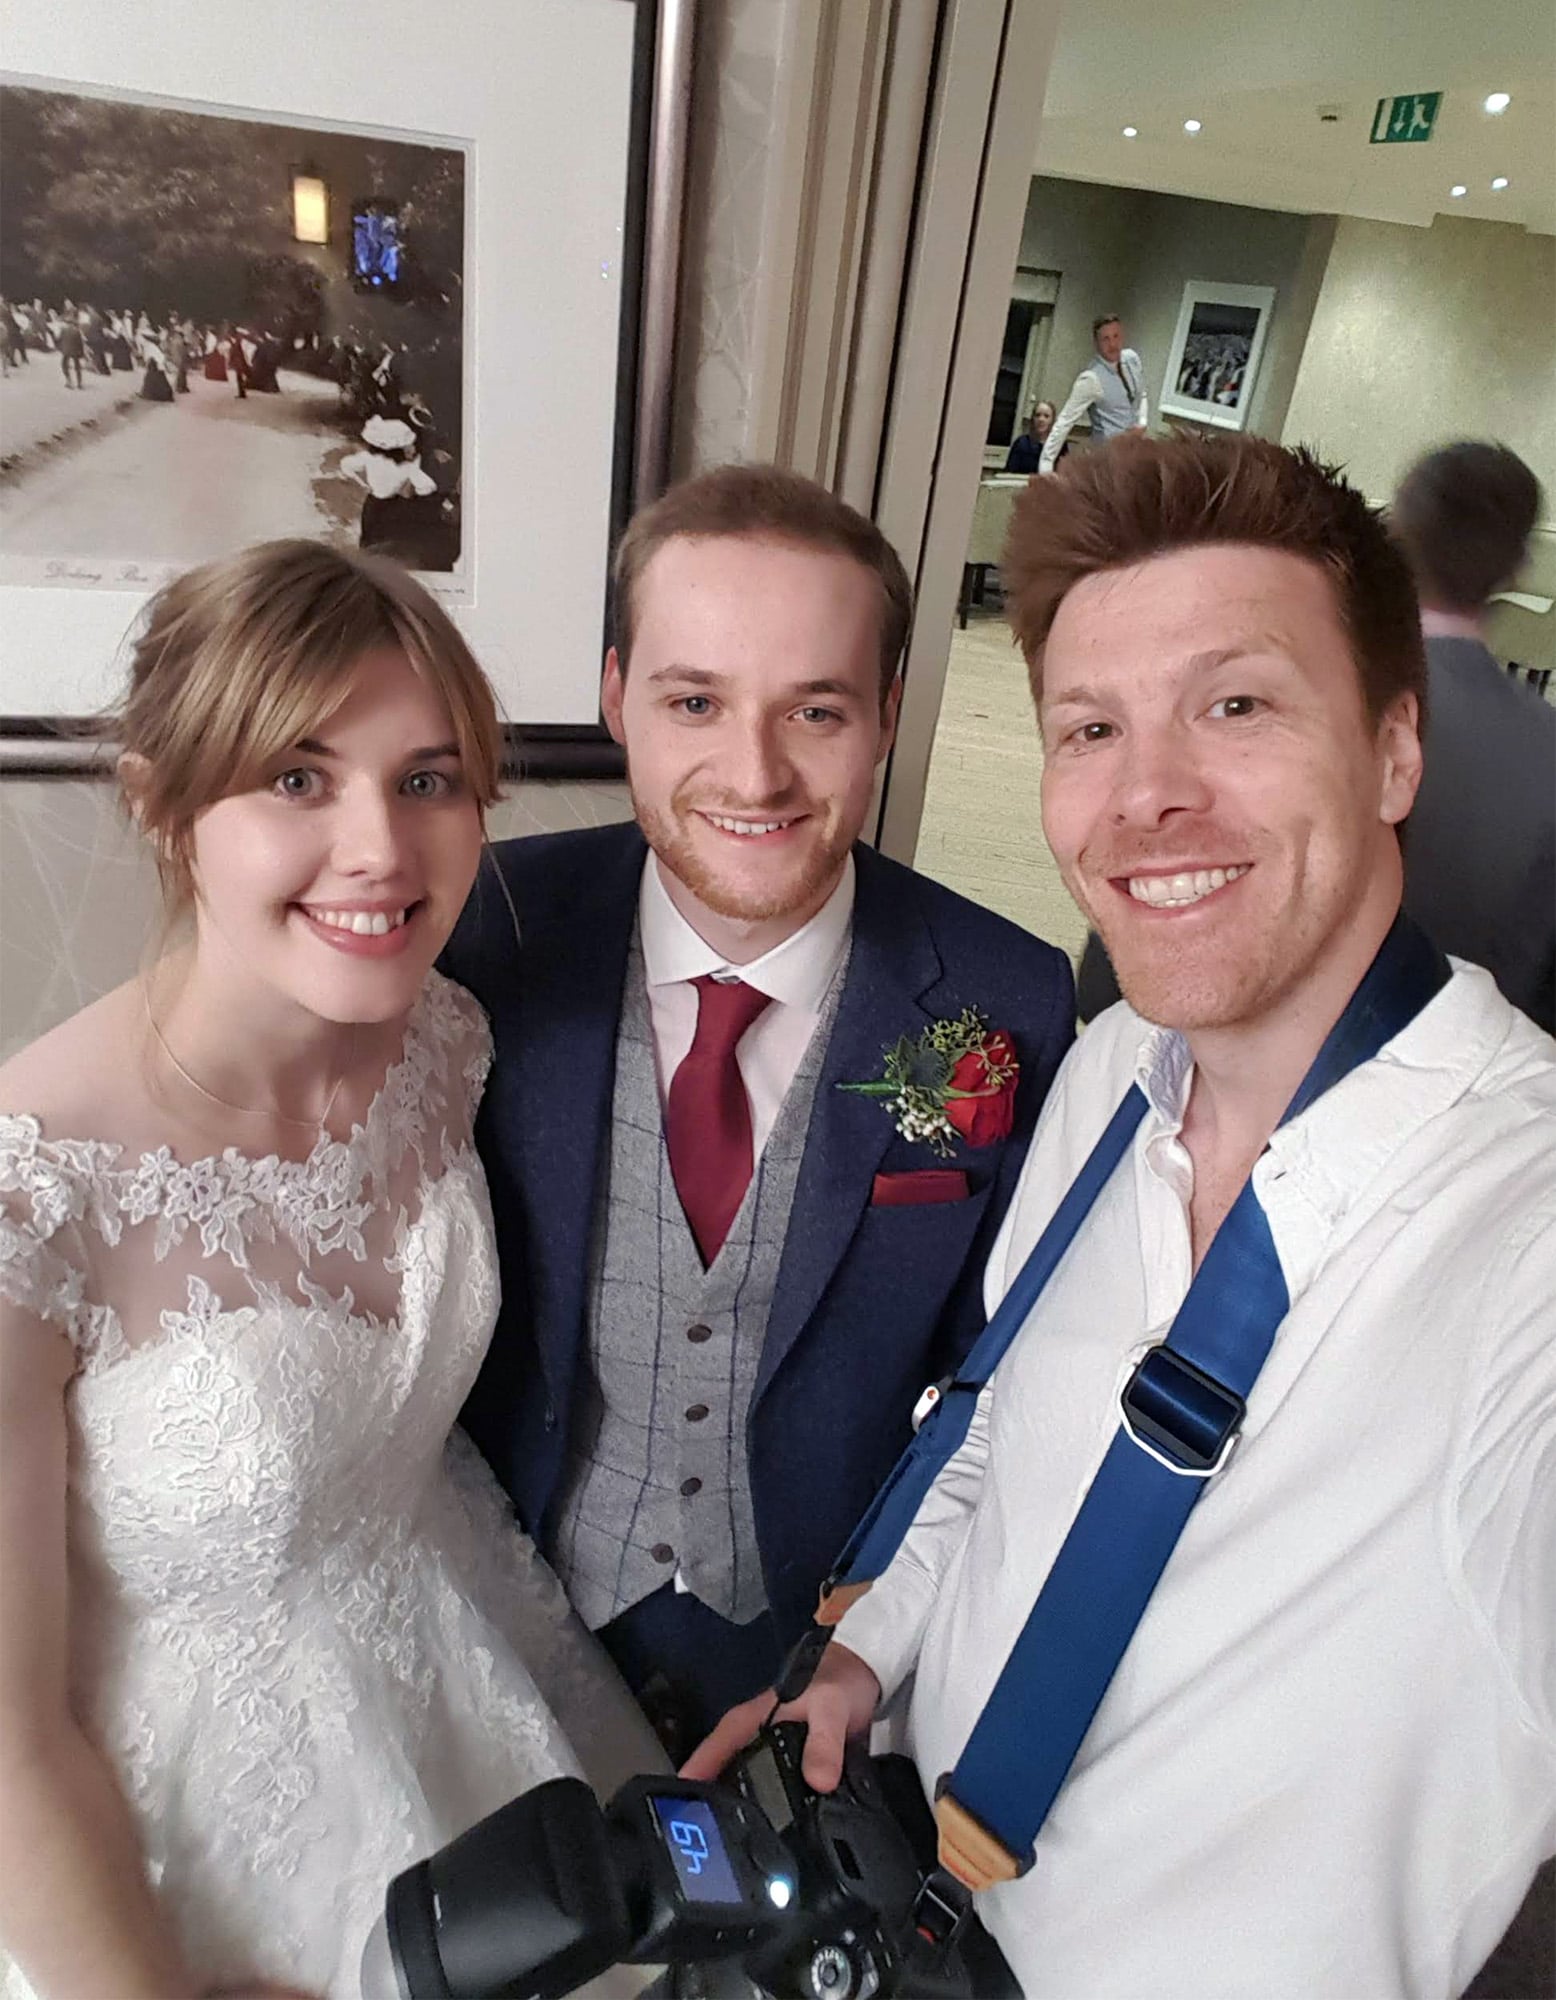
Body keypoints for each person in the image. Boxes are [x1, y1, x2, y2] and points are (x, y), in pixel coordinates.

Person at [688, 435, 1556, 2000]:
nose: (1148, 793)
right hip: (918, 1906)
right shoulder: (1106, 1073)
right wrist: (867, 1653)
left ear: (1394, 752)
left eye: (1237, 706)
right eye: (1092, 728)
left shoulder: (1524, 1229)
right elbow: (996, 1432)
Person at [0, 541, 662, 2000]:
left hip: (479, 1708)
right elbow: (6, 1746)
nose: (380, 849)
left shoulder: (443, 1042)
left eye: (427, 779)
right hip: (183, 1863)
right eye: (297, 777)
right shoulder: (26, 1198)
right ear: (162, 804)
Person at [441, 464, 1076, 1759]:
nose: (756, 772)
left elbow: (999, 1382)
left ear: (886, 714)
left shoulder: (1006, 995)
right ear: (616, 694)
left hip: (806, 1656)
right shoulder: (482, 931)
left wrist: (875, 1639)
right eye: (694, 701)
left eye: (816, 710)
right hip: (500, 1624)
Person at [1390, 441, 1554, 1033]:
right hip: (1472, 1067)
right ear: (1516, 568)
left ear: (1395, 533)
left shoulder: (1303, 697)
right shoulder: (1548, 752)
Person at [1039, 313, 1147, 475]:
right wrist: (1046, 466)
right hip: (1107, 461)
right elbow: (1064, 422)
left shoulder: (1132, 359)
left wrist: (1142, 422)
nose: (1112, 344)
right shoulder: (1091, 378)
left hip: (1135, 455)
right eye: (1105, 339)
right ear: (1096, 343)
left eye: (1116, 336)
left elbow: (1142, 394)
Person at [1003, 399, 1055, 475]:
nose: (1041, 419)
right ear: (1032, 418)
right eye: (1037, 415)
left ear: (1052, 420)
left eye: (1046, 416)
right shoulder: (1021, 443)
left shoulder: (1059, 446)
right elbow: (1009, 473)